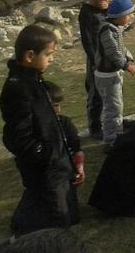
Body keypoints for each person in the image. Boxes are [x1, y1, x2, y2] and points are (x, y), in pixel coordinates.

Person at [0, 25, 77, 236]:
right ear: (30, 55)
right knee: (56, 219)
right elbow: (18, 135)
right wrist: (44, 154)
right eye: (48, 55)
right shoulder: (18, 88)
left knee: (56, 208)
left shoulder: (33, 79)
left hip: (52, 164)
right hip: (43, 167)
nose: (51, 59)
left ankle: (25, 230)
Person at [94, 0, 135, 147]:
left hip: (113, 74)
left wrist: (129, 59)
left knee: (117, 106)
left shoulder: (115, 29)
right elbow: (113, 53)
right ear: (119, 16)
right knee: (113, 109)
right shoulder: (108, 30)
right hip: (108, 76)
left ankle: (117, 134)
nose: (130, 17)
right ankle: (111, 141)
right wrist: (126, 66)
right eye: (128, 14)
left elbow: (122, 49)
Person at [78, 0, 115, 139]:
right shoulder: (86, 12)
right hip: (95, 59)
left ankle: (112, 122)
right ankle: (94, 127)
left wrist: (107, 10)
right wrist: (93, 61)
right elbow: (87, 40)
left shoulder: (104, 10)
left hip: (109, 57)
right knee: (95, 94)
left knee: (112, 92)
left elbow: (114, 23)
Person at [46, 82, 84, 226]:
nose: (57, 109)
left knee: (71, 218)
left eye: (57, 105)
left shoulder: (65, 123)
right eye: (53, 105)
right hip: (47, 177)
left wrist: (80, 167)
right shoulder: (34, 127)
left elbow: (77, 147)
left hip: (64, 175)